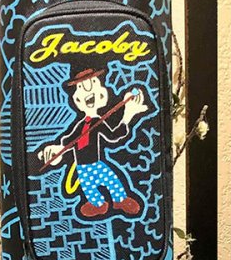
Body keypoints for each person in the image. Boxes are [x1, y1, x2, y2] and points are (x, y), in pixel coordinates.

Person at [39, 67, 149, 219]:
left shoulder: (98, 122)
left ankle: (120, 200)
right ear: (76, 100)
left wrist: (128, 115)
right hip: (82, 168)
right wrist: (57, 149)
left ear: (102, 96)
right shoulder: (80, 126)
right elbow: (69, 140)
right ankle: (97, 204)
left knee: (111, 180)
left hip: (96, 164)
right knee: (89, 188)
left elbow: (113, 136)